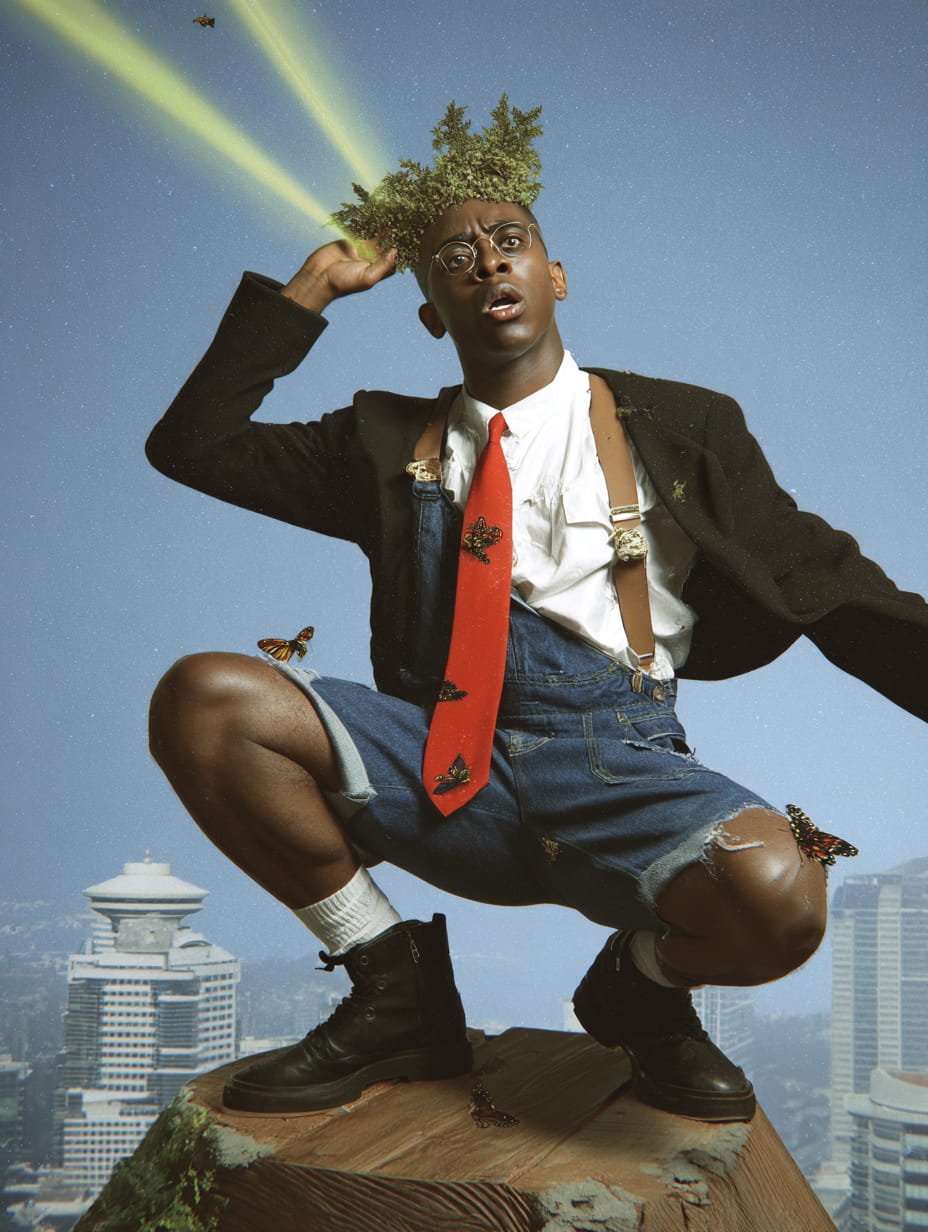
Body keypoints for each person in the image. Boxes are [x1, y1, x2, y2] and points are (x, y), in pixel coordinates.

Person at [146, 98, 927, 1124]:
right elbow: (191, 445)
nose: (487, 265)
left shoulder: (683, 424)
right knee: (206, 697)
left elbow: (820, 574)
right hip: (435, 757)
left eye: (508, 242)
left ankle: (642, 995)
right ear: (432, 305)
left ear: (554, 275)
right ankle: (394, 989)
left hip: (623, 765)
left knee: (781, 895)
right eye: (455, 259)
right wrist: (311, 290)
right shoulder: (378, 441)